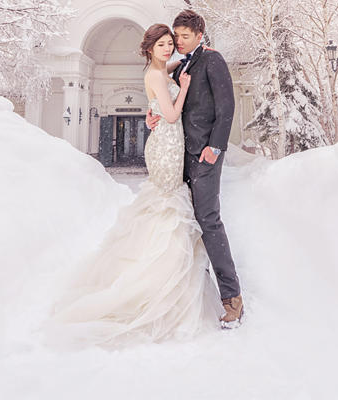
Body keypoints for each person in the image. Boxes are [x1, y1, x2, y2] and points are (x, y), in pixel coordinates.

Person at [47, 24, 221, 348]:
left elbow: (166, 89)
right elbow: (170, 115)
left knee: (167, 208)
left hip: (167, 144)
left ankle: (165, 276)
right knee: (168, 209)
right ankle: (158, 280)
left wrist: (190, 57)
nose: (168, 49)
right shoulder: (157, 75)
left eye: (171, 43)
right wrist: (182, 88)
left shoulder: (160, 69)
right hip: (167, 148)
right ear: (150, 48)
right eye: (163, 45)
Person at [146, 9, 244, 329]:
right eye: (177, 37)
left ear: (200, 35)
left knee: (209, 221)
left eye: (185, 37)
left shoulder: (212, 60)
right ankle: (196, 293)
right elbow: (169, 100)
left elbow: (226, 106)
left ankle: (232, 298)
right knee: (188, 222)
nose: (179, 42)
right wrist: (154, 116)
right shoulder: (182, 65)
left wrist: (215, 148)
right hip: (179, 156)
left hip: (205, 154)